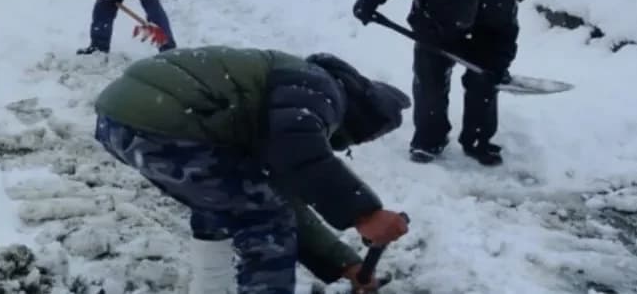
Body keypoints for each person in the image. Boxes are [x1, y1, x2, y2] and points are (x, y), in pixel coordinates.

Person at [93, 46, 411, 293]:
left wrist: (346, 264)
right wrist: (364, 213)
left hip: (122, 123)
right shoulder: (318, 87)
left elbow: (285, 192)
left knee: (225, 201)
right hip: (169, 120)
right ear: (361, 113)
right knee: (267, 221)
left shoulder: (284, 97)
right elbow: (300, 151)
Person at [352, 0, 518, 167]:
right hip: (431, 26)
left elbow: (506, 35)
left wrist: (498, 65)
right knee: (429, 77)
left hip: (483, 30)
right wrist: (370, 2)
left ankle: (478, 141)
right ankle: (429, 139)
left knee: (482, 82)